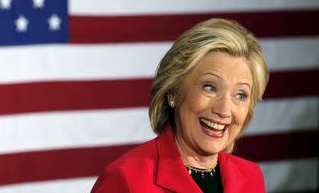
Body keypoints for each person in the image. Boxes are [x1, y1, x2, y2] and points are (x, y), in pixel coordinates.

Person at [91, 18, 269, 193]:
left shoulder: (251, 177)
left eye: (240, 95)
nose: (223, 110)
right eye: (210, 87)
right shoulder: (126, 179)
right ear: (173, 92)